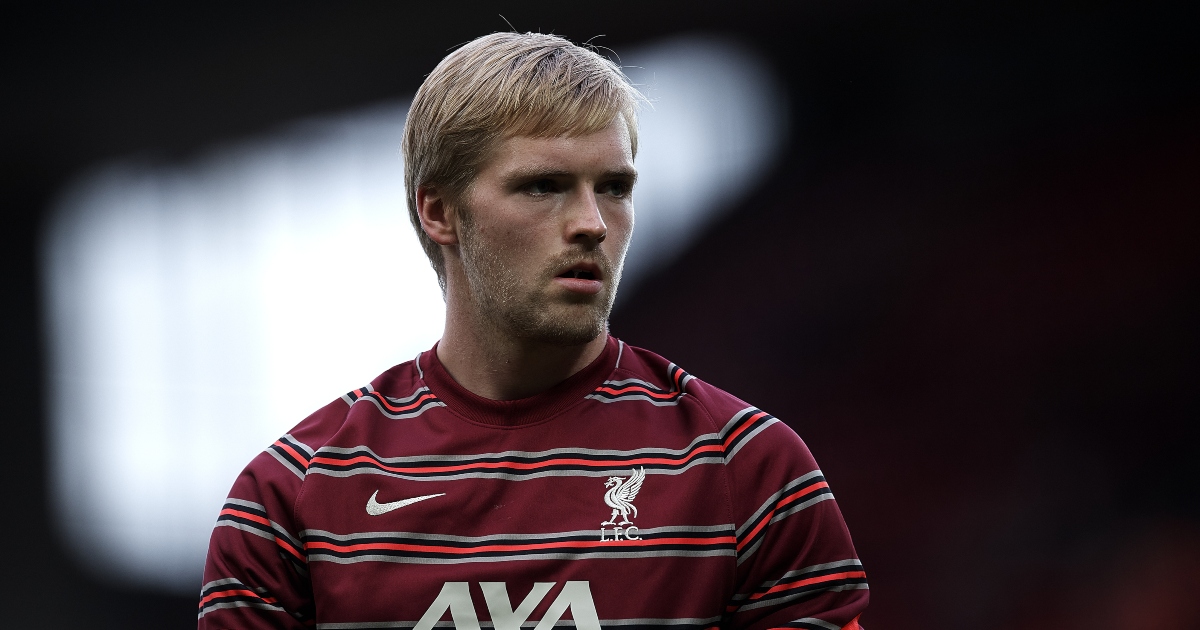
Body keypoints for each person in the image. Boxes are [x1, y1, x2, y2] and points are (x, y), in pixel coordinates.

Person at [199, 32, 869, 630]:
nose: (592, 223)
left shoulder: (748, 468)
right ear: (439, 211)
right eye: (543, 186)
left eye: (613, 187)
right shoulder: (290, 497)